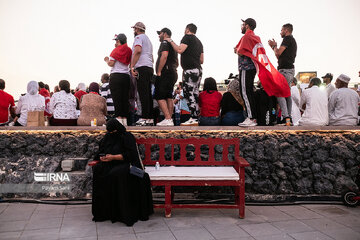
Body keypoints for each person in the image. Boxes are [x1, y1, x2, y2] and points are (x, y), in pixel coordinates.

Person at [92, 118, 154, 226]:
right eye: (109, 132)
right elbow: (101, 151)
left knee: (117, 173)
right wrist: (103, 157)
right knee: (98, 170)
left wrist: (113, 157)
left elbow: (130, 155)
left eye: (113, 132)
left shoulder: (126, 137)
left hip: (125, 163)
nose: (111, 134)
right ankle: (105, 212)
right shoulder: (108, 137)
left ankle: (121, 213)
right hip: (110, 162)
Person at [165, 23, 204, 126]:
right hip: (198, 70)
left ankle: (193, 117)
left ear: (187, 29)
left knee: (188, 93)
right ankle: (195, 117)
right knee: (195, 93)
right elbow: (201, 60)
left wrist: (170, 41)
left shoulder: (187, 37)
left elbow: (179, 50)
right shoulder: (199, 42)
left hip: (189, 70)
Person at [268, 23, 297, 125]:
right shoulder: (292, 40)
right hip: (289, 70)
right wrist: (274, 48)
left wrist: (274, 46)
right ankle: (289, 119)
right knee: (287, 94)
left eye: (281, 30)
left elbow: (278, 53)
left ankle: (286, 117)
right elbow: (279, 57)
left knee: (279, 93)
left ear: (286, 30)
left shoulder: (287, 39)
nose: (280, 32)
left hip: (285, 71)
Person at [104, 33, 132, 126]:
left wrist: (107, 60)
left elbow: (111, 63)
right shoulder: (129, 50)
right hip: (126, 76)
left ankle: (119, 119)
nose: (115, 42)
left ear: (119, 41)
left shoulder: (115, 51)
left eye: (116, 40)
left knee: (117, 98)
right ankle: (125, 119)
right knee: (125, 98)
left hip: (116, 76)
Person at [130, 22, 154, 126]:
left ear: (137, 29)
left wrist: (132, 65)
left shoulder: (138, 37)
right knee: (147, 94)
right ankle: (149, 117)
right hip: (149, 66)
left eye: (134, 29)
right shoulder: (148, 40)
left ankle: (144, 117)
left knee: (143, 93)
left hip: (142, 67)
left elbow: (138, 50)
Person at [235, 18, 258, 127]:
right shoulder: (254, 37)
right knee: (249, 92)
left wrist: (236, 50)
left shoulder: (246, 37)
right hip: (252, 68)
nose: (242, 26)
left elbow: (240, 51)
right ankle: (253, 117)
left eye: (243, 24)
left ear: (247, 26)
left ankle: (251, 118)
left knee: (245, 91)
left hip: (245, 67)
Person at [154, 28, 179, 126]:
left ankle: (168, 118)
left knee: (159, 95)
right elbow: (177, 61)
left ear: (165, 34)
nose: (158, 35)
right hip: (172, 72)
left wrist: (159, 71)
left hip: (166, 72)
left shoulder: (164, 42)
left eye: (160, 33)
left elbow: (164, 56)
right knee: (169, 96)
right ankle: (169, 119)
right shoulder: (173, 44)